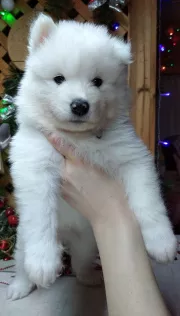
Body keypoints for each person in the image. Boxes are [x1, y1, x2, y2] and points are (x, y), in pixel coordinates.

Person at [47, 135, 171, 316]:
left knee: (85, 246)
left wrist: (153, 223)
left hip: (90, 222)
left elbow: (137, 163)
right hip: (62, 216)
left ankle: (83, 270)